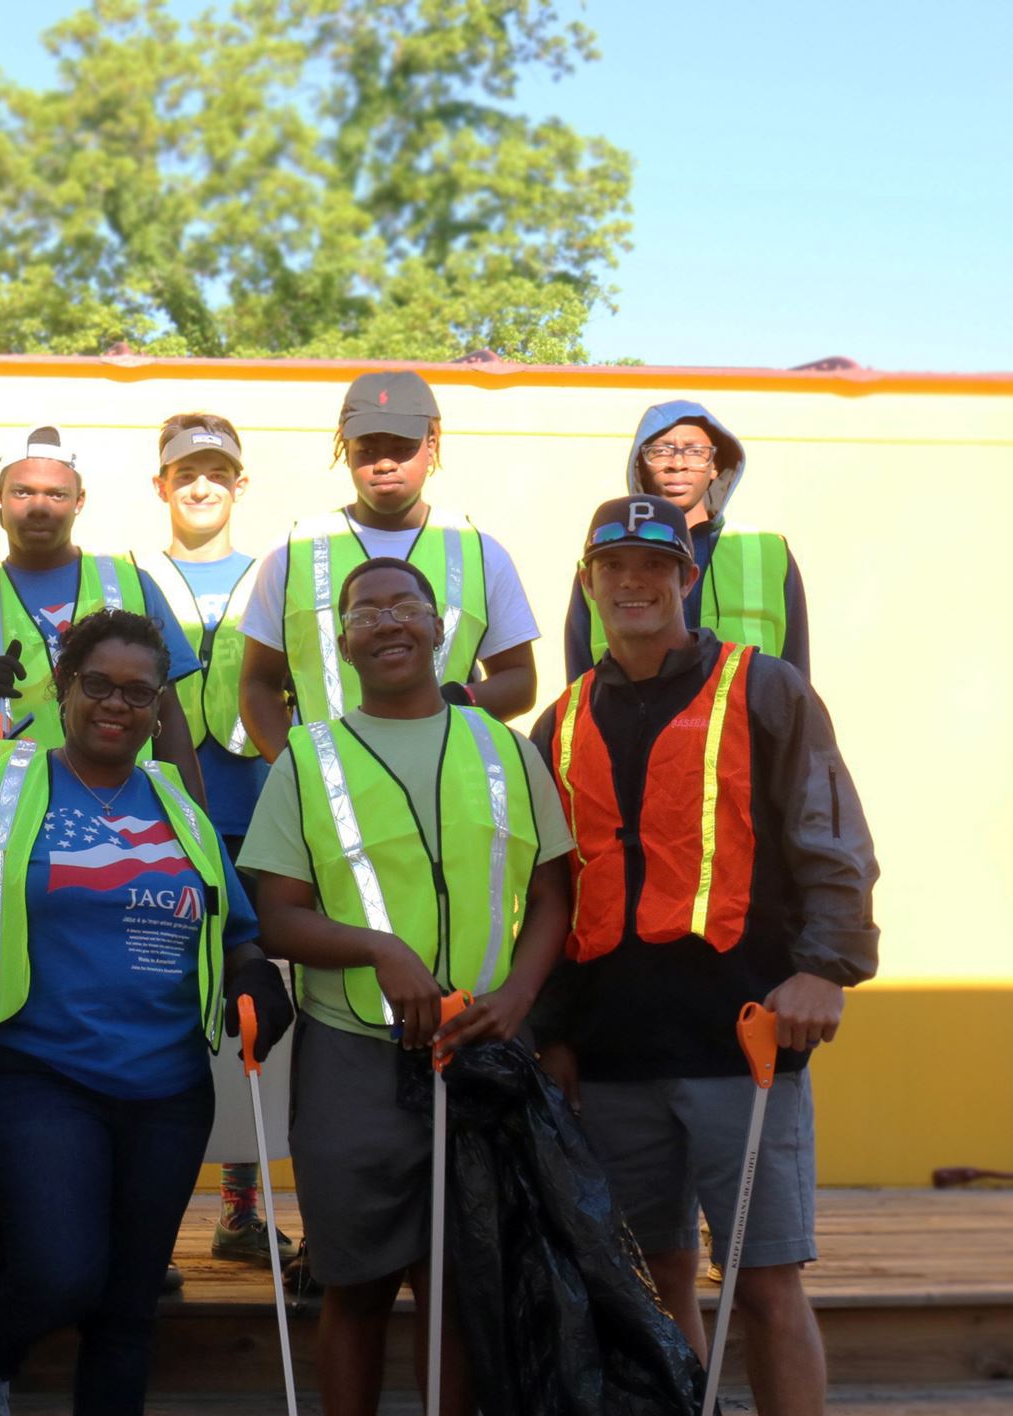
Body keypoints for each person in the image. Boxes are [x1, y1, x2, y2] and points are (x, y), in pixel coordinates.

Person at [533, 494, 877, 1416]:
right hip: (615, 1053)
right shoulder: (559, 717)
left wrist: (825, 966)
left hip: (742, 1045)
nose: (632, 583)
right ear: (585, 583)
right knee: (655, 1282)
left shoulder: (762, 688)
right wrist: (558, 1038)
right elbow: (555, 891)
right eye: (610, 567)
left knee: (766, 1284)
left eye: (653, 564)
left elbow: (828, 834)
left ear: (686, 575)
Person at [0, 608, 292, 1416]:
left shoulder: (178, 802)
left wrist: (253, 974)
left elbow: (234, 924)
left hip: (166, 1086)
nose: (117, 704)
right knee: (61, 1264)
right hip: (35, 1070)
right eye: (99, 684)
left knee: (128, 1299)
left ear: (156, 701)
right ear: (62, 688)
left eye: (138, 689)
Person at [238, 556, 574, 1416]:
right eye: (362, 609)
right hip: (352, 1050)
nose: (385, 620)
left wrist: (517, 993)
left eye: (403, 604)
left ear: (441, 627)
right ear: (337, 642)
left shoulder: (505, 749)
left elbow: (555, 888)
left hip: (476, 1049)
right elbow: (278, 912)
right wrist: (377, 947)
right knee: (354, 1278)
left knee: (458, 1281)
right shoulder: (310, 755)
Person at [136, 410, 288, 1264]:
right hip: (158, 817)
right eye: (185, 472)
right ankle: (153, 1218)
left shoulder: (277, 573)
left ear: (240, 483)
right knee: (167, 1000)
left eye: (217, 472)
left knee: (253, 1005)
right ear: (161, 484)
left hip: (258, 810)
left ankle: (241, 1202)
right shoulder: (130, 573)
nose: (201, 485)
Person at [231, 369, 544, 759]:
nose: (383, 463)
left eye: (400, 446)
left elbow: (520, 681)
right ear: (344, 448)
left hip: (446, 781)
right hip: (330, 792)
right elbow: (258, 683)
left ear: (432, 443)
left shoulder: (480, 552)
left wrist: (454, 701)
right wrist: (293, 770)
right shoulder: (292, 553)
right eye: (368, 447)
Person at [0, 426, 208, 804]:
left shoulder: (132, 584)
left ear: (79, 500)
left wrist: (195, 826)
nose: (39, 506)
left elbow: (168, 718)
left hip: (125, 808)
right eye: (22, 492)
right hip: (16, 815)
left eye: (56, 494)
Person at [559, 404, 812, 681]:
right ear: (641, 464)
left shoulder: (769, 553)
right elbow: (580, 688)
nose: (677, 464)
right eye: (661, 451)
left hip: (749, 723)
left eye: (695, 451)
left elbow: (795, 672)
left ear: (715, 466)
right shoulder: (600, 564)